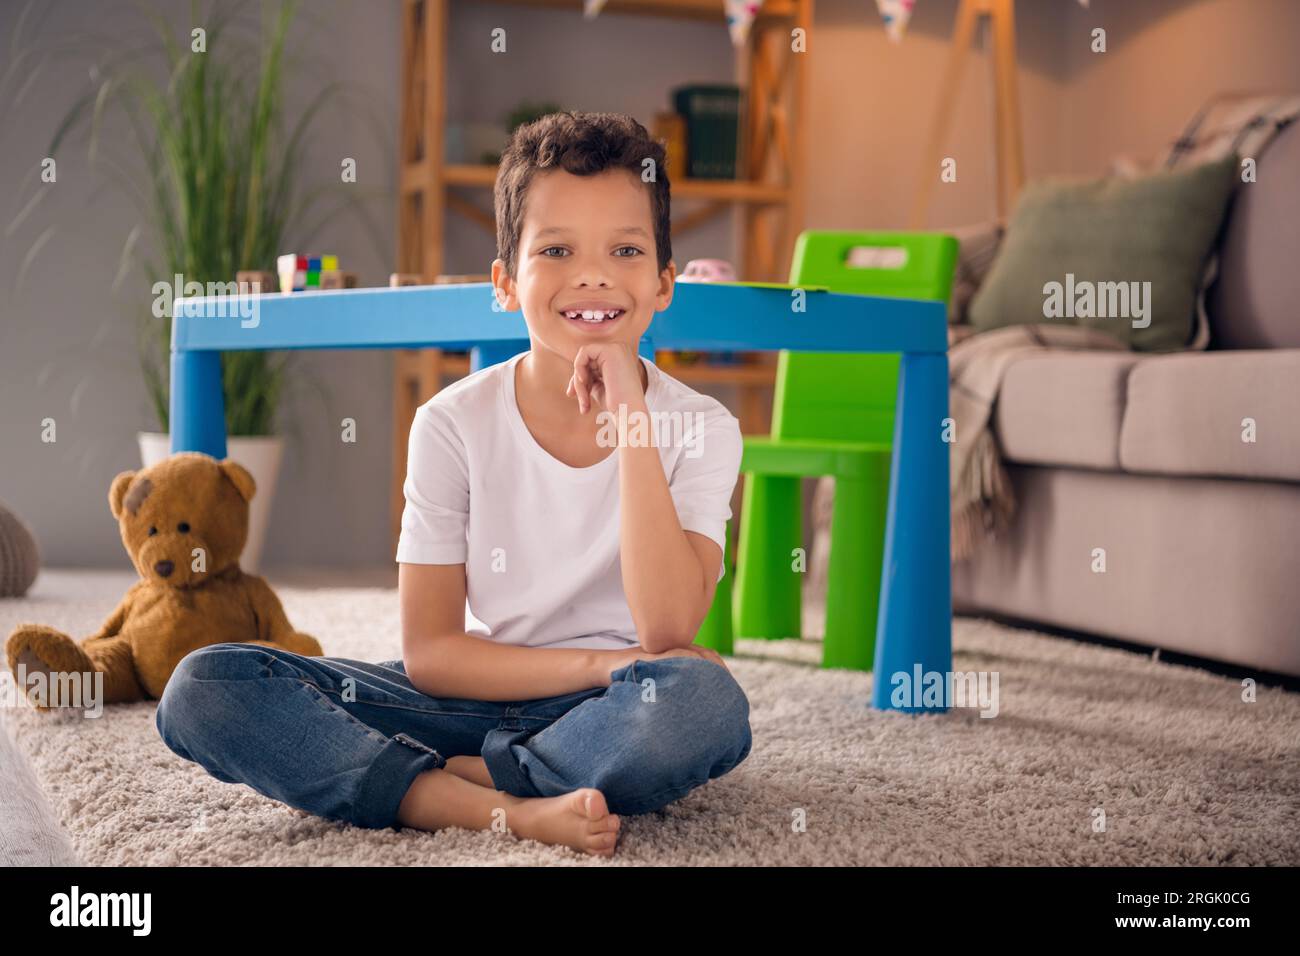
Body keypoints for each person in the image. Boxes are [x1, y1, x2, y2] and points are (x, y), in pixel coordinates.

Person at [156, 111, 752, 858]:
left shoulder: (701, 426)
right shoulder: (451, 422)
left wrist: (631, 416)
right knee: (207, 686)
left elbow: (667, 632)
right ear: (505, 283)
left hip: (616, 709)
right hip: (470, 697)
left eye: (626, 250)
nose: (593, 274)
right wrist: (609, 661)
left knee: (705, 704)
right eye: (557, 249)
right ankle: (498, 801)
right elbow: (434, 653)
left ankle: (436, 785)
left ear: (664, 283)